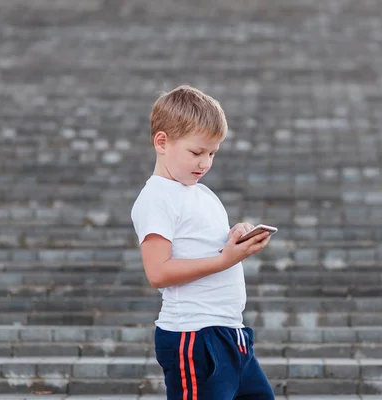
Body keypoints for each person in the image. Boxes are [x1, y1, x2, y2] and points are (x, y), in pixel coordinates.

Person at [131, 84, 274, 400]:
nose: (205, 163)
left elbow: (209, 250)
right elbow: (158, 273)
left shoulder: (204, 194)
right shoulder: (155, 199)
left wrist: (235, 237)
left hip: (231, 333)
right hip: (192, 336)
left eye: (212, 153)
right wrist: (225, 260)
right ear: (162, 142)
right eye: (196, 152)